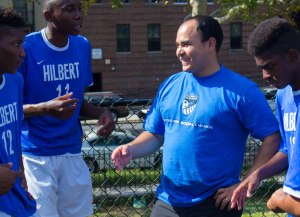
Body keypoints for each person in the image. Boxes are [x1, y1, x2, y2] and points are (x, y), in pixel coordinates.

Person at [111, 15, 281, 217]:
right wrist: (131, 149)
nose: (179, 51)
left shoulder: (242, 91)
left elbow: (272, 137)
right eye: (177, 45)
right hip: (168, 202)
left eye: (186, 44)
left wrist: (246, 182)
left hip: (216, 203)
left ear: (210, 44)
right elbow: (155, 135)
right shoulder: (170, 85)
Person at [18, 0, 115, 216]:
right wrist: (45, 108)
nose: (78, 15)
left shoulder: (82, 45)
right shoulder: (25, 47)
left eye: (79, 8)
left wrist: (102, 113)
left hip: (72, 152)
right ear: (49, 15)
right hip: (36, 156)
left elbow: (77, 102)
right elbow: (9, 109)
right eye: (69, 9)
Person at [231, 17, 300, 217]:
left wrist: (281, 201)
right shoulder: (283, 96)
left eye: (269, 66)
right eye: (261, 68)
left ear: (292, 56)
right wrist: (258, 174)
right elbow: (288, 149)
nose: (264, 75)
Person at [0, 6, 38, 217]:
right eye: (16, 44)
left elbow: (14, 135)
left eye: (22, 43)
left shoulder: (15, 81)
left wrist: (22, 172)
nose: (23, 52)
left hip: (17, 196)